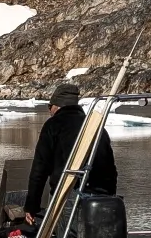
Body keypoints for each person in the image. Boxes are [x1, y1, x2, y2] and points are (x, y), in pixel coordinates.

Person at [24, 81, 118, 218]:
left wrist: (31, 206)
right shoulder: (95, 126)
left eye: (49, 107)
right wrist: (110, 197)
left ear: (55, 106)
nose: (49, 111)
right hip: (101, 198)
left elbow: (40, 169)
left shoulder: (53, 125)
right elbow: (111, 168)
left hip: (67, 196)